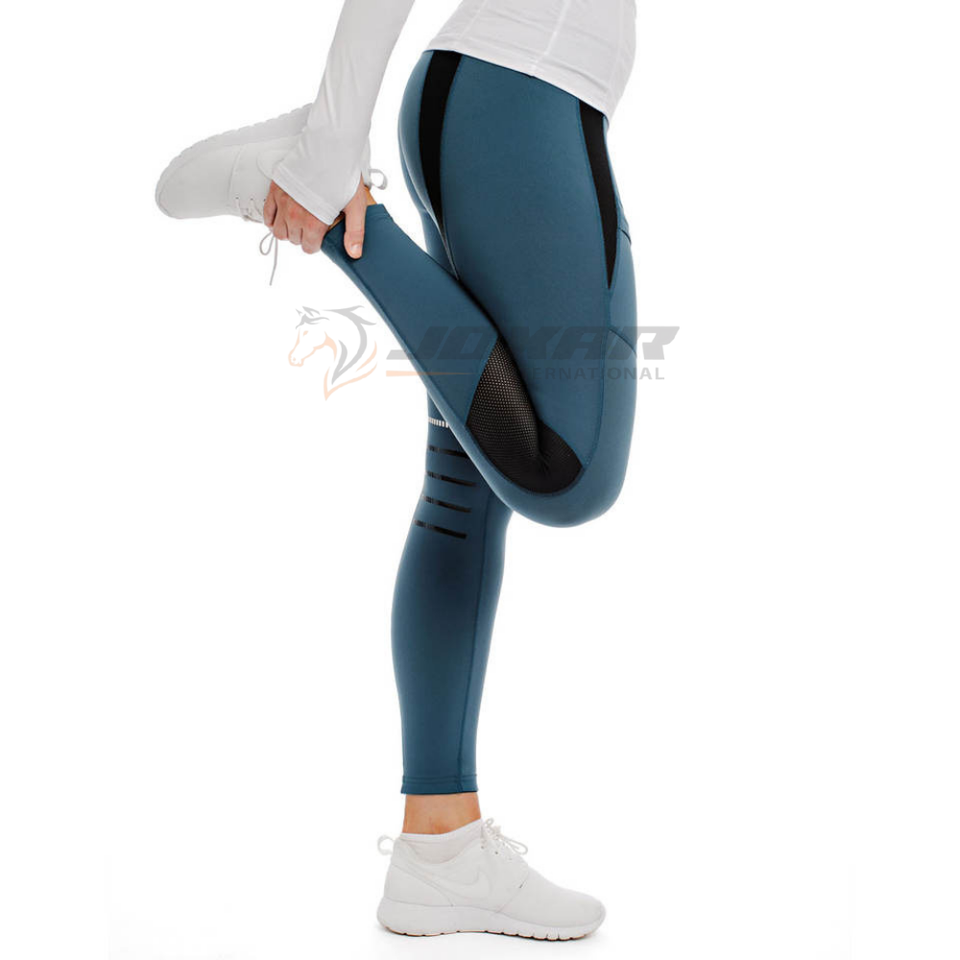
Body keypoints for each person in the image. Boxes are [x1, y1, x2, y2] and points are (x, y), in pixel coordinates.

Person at [156, 0, 637, 940]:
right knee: (566, 474)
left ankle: (439, 853)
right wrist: (328, 153)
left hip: (511, 105)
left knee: (468, 492)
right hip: (521, 102)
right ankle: (331, 215)